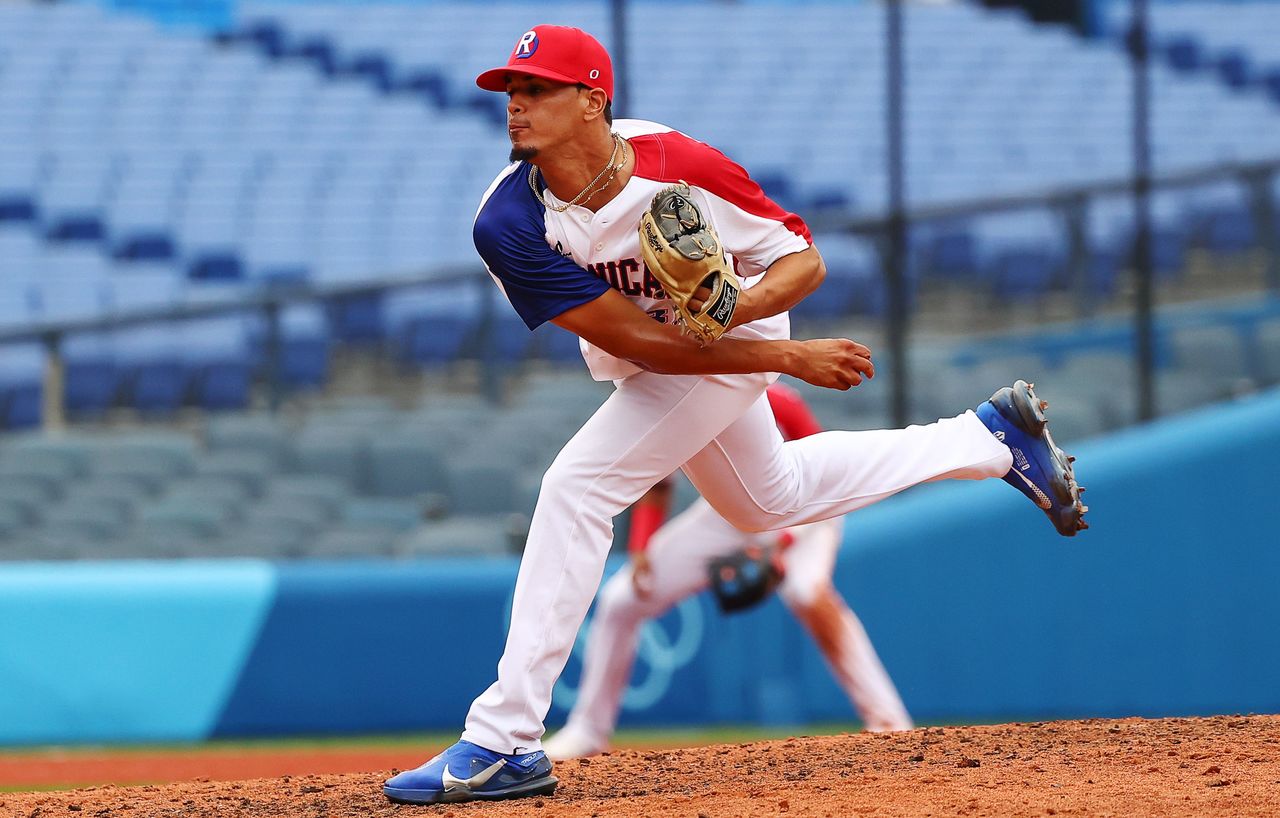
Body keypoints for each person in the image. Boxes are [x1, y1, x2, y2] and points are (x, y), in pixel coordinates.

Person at [383, 24, 1086, 806]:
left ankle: (505, 739)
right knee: (766, 500)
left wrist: (741, 311)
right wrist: (786, 359)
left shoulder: (675, 165)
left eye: (537, 89)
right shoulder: (507, 223)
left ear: (592, 100)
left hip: (736, 337)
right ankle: (987, 439)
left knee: (575, 488)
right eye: (510, 92)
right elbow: (640, 342)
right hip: (684, 355)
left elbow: (803, 256)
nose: (515, 105)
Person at [543, 381, 913, 762]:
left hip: (807, 511)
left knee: (806, 592)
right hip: (728, 516)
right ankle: (588, 730)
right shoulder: (674, 397)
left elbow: (826, 474)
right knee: (622, 599)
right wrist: (641, 544)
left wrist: (781, 544)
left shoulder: (774, 397)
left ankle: (890, 722)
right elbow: (656, 478)